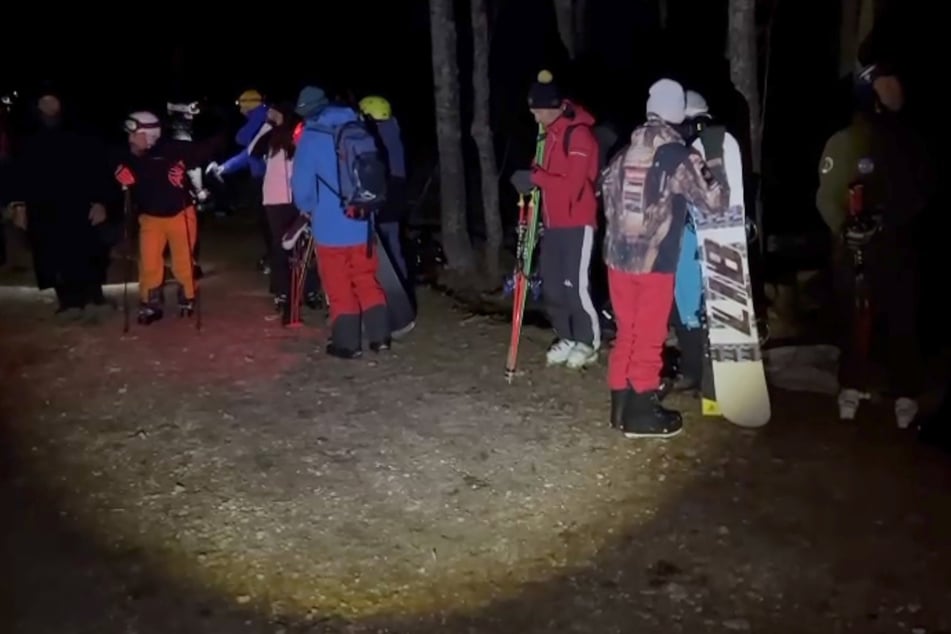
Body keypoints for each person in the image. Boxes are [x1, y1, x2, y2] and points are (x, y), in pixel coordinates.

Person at [599, 78, 728, 438]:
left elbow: (606, 199)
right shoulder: (677, 154)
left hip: (618, 260)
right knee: (651, 335)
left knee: (628, 332)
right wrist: (714, 154)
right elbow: (715, 201)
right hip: (654, 263)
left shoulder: (623, 153)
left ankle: (620, 406)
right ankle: (642, 412)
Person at [816, 63, 933, 428]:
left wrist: (885, 219)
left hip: (896, 249)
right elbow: (826, 196)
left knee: (902, 319)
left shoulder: (910, 143)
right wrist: (844, 227)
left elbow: (922, 191)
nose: (894, 94)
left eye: (896, 87)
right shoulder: (843, 142)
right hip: (852, 252)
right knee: (853, 319)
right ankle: (850, 388)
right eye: (886, 89)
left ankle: (905, 394)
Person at [510, 70, 601, 370]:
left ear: (553, 106)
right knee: (551, 285)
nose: (534, 115)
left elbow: (573, 184)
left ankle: (588, 341)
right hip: (553, 223)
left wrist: (537, 177)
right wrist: (529, 181)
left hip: (577, 221)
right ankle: (566, 335)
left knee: (575, 285)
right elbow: (543, 174)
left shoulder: (579, 134)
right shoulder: (548, 135)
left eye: (537, 109)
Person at [291, 85, 390, 358]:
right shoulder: (357, 126)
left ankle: (347, 343)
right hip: (362, 221)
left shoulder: (310, 138)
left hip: (330, 225)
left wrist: (308, 208)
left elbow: (301, 190)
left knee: (338, 282)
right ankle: (380, 337)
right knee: (366, 277)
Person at [6, 85, 115, 316]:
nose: (49, 107)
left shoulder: (82, 131)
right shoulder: (26, 135)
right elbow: (16, 171)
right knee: (52, 253)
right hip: (44, 206)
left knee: (90, 251)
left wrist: (100, 201)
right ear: (37, 106)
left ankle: (95, 296)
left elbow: (98, 166)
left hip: (80, 203)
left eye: (52, 101)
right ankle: (68, 301)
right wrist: (18, 204)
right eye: (44, 102)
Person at [667, 90, 749, 393]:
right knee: (685, 304)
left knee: (707, 304)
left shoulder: (717, 145)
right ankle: (692, 370)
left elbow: (724, 193)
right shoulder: (679, 149)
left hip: (711, 236)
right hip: (684, 236)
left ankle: (716, 376)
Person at [114, 111, 215, 324]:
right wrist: (119, 178)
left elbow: (205, 150)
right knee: (149, 261)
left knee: (183, 260)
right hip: (150, 217)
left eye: (135, 134)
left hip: (180, 212)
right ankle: (150, 302)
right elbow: (112, 174)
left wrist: (183, 170)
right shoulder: (128, 156)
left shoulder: (172, 149)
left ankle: (187, 296)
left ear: (150, 134)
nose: (131, 139)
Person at [248, 103, 320, 311]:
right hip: (274, 199)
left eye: (273, 110)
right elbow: (252, 150)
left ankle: (310, 289)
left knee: (305, 246)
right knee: (280, 246)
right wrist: (267, 125)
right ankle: (282, 291)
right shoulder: (270, 135)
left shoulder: (300, 132)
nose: (269, 114)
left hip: (299, 198)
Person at [206, 89, 271, 270]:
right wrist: (225, 168)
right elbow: (249, 153)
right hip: (264, 178)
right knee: (267, 222)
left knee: (269, 222)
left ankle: (276, 260)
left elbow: (241, 139)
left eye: (240, 104)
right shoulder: (261, 118)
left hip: (267, 180)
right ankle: (274, 256)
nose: (239, 109)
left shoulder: (260, 118)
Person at [358, 95, 409, 280]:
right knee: (394, 244)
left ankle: (384, 287)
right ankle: (401, 285)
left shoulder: (376, 136)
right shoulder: (393, 130)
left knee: (379, 246)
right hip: (398, 191)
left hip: (384, 190)